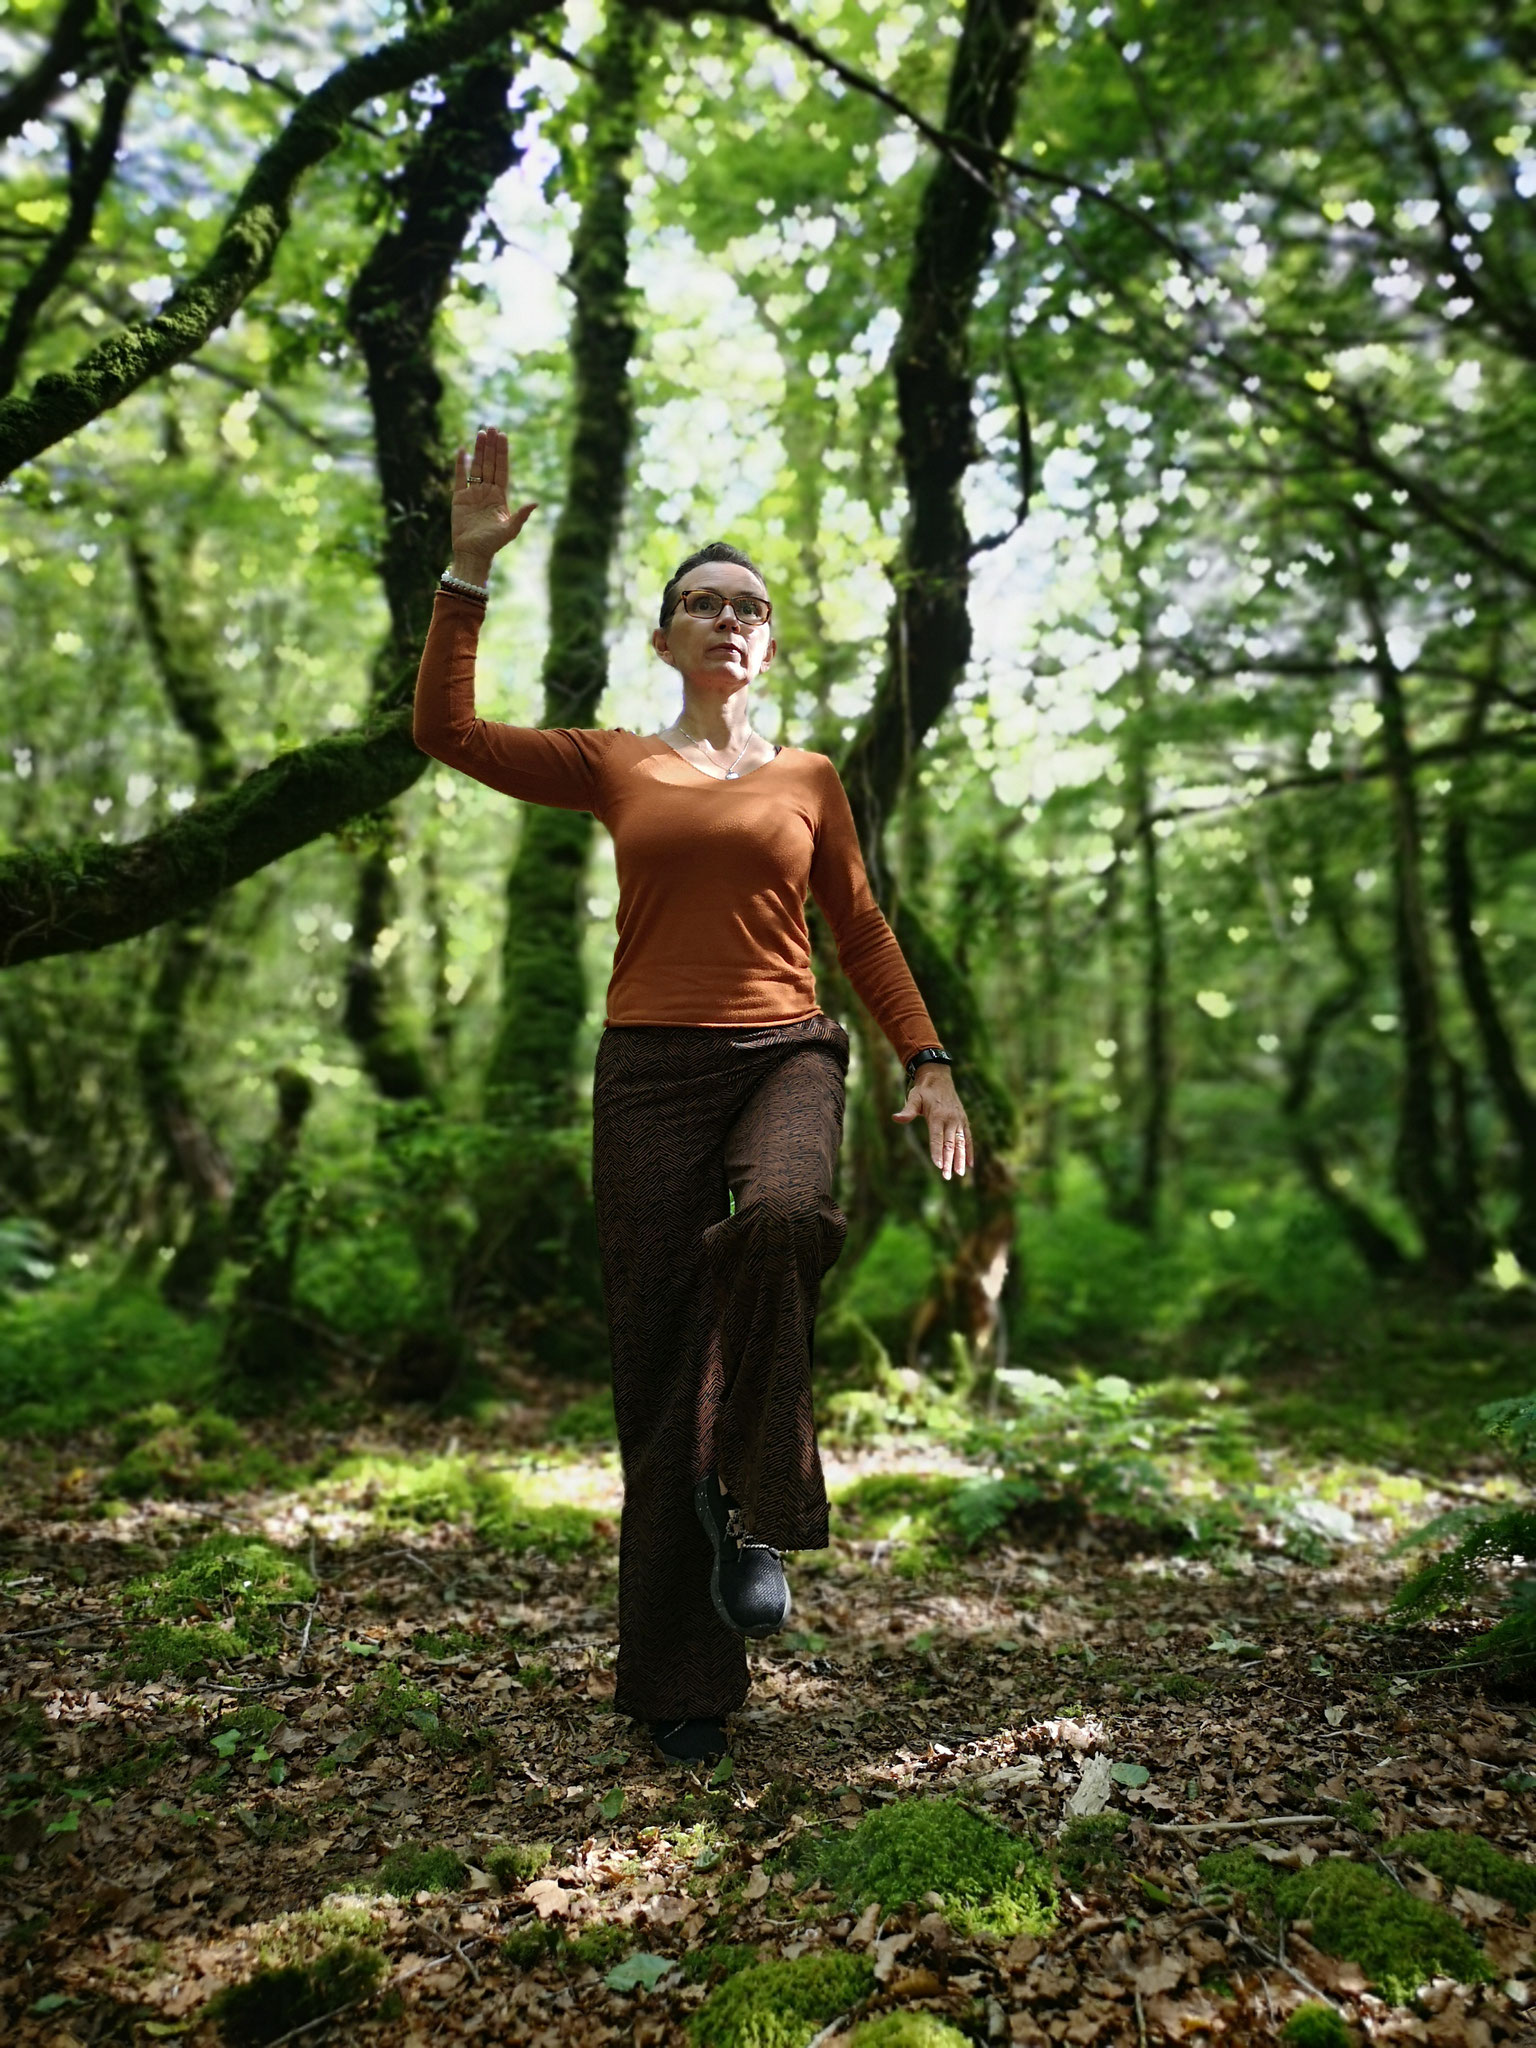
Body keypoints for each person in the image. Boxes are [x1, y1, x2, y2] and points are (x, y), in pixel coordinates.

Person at [413, 425, 973, 1764]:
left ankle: (760, 1498)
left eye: (750, 607)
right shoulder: (618, 762)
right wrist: (467, 570)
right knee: (657, 1369)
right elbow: (442, 731)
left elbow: (864, 928)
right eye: (703, 602)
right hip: (647, 1072)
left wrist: (929, 1063)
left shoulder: (809, 779)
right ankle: (682, 1685)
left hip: (786, 1048)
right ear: (667, 641)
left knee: (783, 1219)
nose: (729, 618)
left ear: (768, 647)